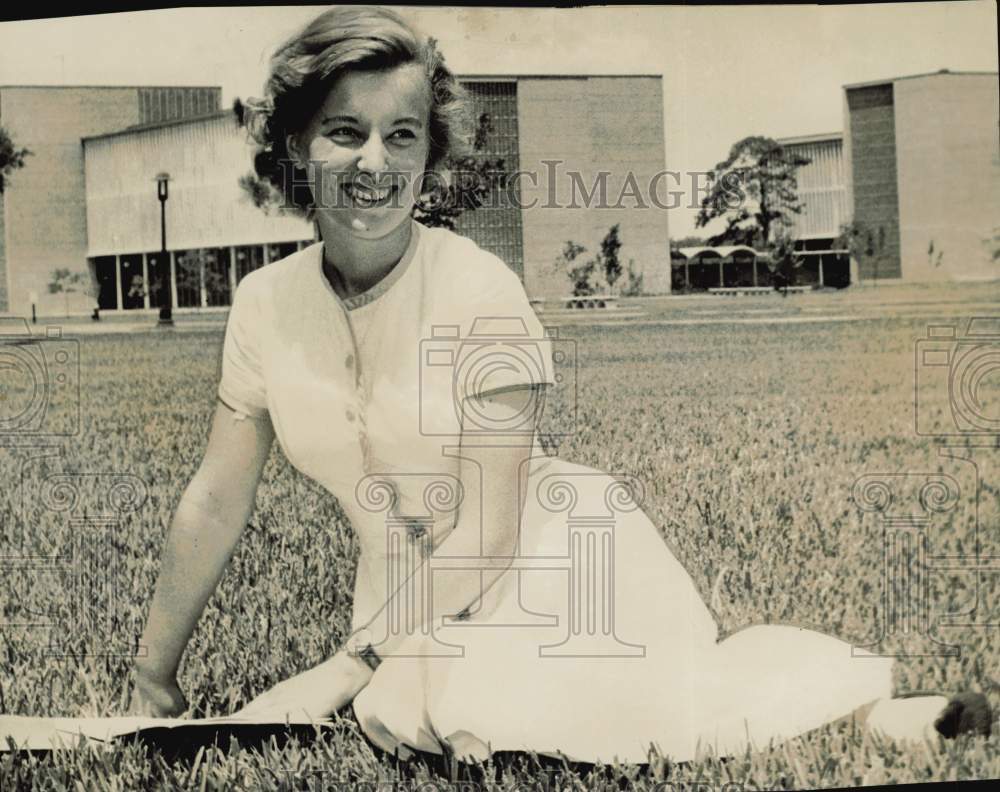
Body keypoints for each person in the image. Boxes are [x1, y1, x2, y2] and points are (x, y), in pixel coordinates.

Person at [128, 5, 991, 765]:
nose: (374, 163)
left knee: (617, 724)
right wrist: (154, 679)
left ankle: (888, 714)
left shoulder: (479, 289)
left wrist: (348, 665)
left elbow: (493, 530)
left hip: (554, 561)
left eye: (402, 135)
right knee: (427, 718)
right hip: (401, 595)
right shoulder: (263, 304)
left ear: (431, 154)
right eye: (343, 130)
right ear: (294, 145)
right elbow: (214, 501)